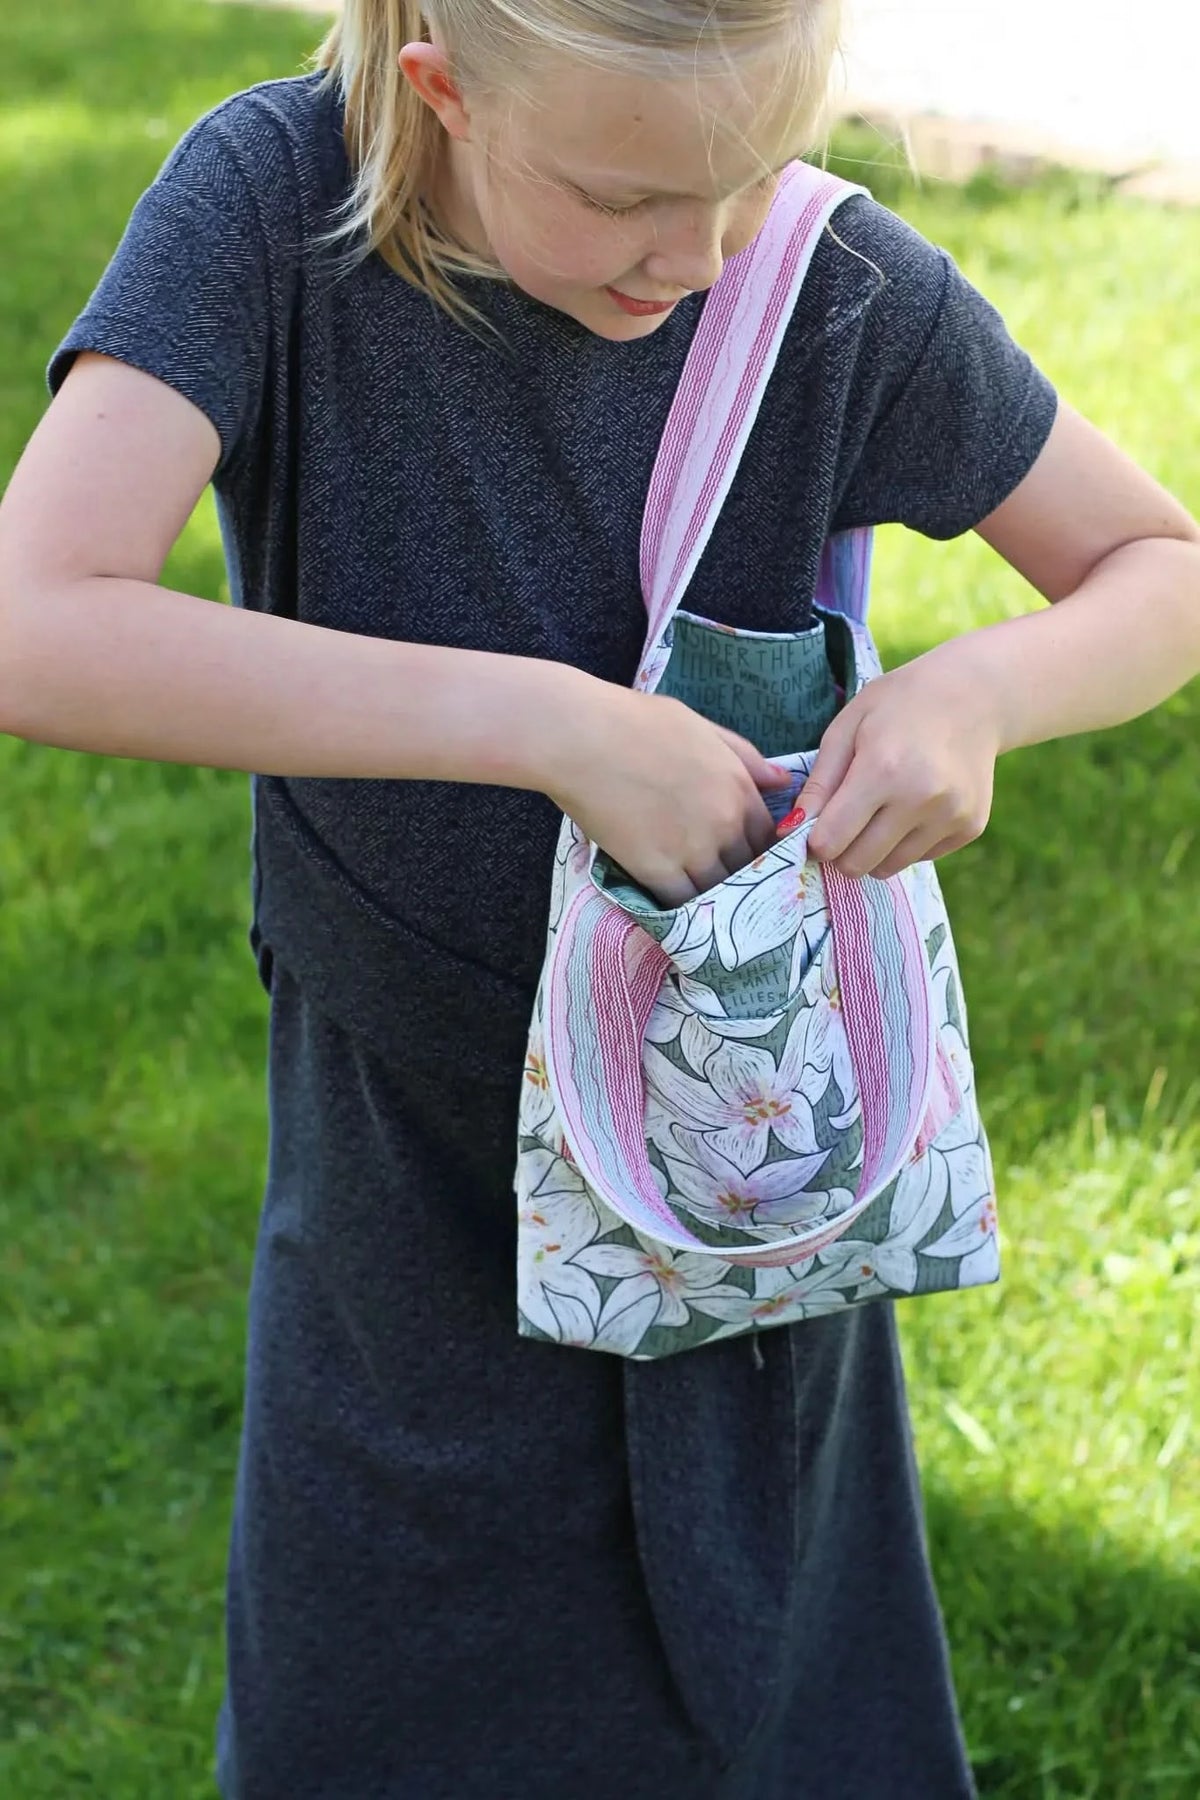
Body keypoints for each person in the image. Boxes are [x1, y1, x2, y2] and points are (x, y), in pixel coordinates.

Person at [1, 0, 1197, 1793]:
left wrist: (981, 692)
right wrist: (547, 726)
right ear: (442, 91)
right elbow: (41, 620)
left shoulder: (823, 278)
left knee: (772, 1683)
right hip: (411, 1182)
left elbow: (1156, 566)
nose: (699, 254)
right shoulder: (268, 204)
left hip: (748, 1168)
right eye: (627, 194)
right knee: (395, 1694)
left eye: (747, 177)